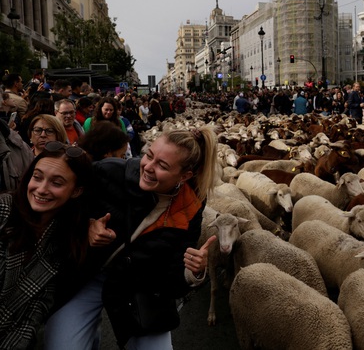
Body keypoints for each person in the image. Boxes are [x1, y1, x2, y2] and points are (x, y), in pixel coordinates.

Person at [44, 126, 219, 350]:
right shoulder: (108, 172)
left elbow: (173, 275)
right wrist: (86, 227)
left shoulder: (190, 206)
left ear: (185, 176)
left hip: (140, 284)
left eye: (163, 166)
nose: (148, 167)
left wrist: (191, 271)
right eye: (149, 155)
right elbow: (62, 207)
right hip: (88, 275)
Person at [0, 141, 91, 349]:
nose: (41, 189)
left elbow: (36, 310)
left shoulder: (65, 242)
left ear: (76, 191)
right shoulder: (4, 211)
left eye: (56, 183)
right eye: (37, 177)